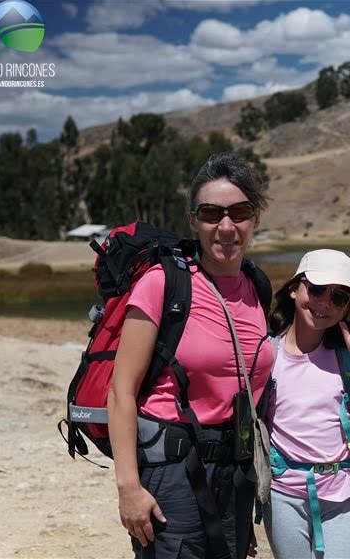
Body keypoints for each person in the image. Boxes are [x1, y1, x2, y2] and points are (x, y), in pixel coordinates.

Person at [107, 151, 273, 559]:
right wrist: (129, 488)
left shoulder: (257, 287)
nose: (227, 226)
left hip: (234, 469)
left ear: (255, 218)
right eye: (212, 213)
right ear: (194, 220)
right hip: (172, 467)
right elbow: (120, 392)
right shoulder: (164, 284)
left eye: (240, 212)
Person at [262, 249, 350, 558]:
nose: (324, 302)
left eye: (338, 297)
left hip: (344, 491)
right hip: (284, 492)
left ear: (348, 307)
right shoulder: (267, 353)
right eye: (317, 288)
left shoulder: (349, 358)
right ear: (295, 288)